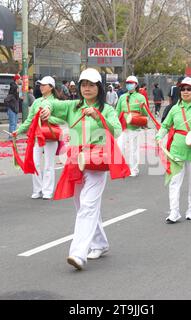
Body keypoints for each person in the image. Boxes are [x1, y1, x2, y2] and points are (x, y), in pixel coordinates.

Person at [38, 68, 129, 270]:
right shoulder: (72, 106)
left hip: (97, 160)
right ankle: (100, 243)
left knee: (88, 206)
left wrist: (97, 115)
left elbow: (116, 130)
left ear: (99, 87)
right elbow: (51, 102)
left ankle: (78, 253)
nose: (87, 88)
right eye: (84, 85)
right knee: (82, 206)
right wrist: (46, 108)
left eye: (91, 85)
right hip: (75, 161)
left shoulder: (107, 109)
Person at [155, 77, 191, 223]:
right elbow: (166, 126)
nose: (185, 92)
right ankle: (174, 212)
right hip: (176, 150)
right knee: (175, 182)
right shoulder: (175, 108)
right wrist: (159, 136)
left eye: (189, 89)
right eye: (183, 89)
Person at [14, 76, 64, 200]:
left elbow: (62, 119)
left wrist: (48, 118)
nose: (41, 87)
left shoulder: (56, 103)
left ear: (51, 87)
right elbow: (29, 120)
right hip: (37, 136)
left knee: (48, 165)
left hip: (50, 137)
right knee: (35, 164)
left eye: (44, 85)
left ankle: (47, 191)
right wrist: (18, 131)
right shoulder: (37, 102)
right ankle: (38, 189)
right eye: (40, 85)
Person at [116, 75, 148, 177]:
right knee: (120, 147)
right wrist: (115, 124)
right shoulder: (122, 97)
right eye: (128, 83)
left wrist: (143, 107)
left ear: (136, 85)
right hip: (123, 127)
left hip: (135, 126)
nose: (129, 85)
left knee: (134, 150)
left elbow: (145, 113)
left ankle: (134, 170)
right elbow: (117, 111)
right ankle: (121, 169)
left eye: (131, 83)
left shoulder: (141, 97)